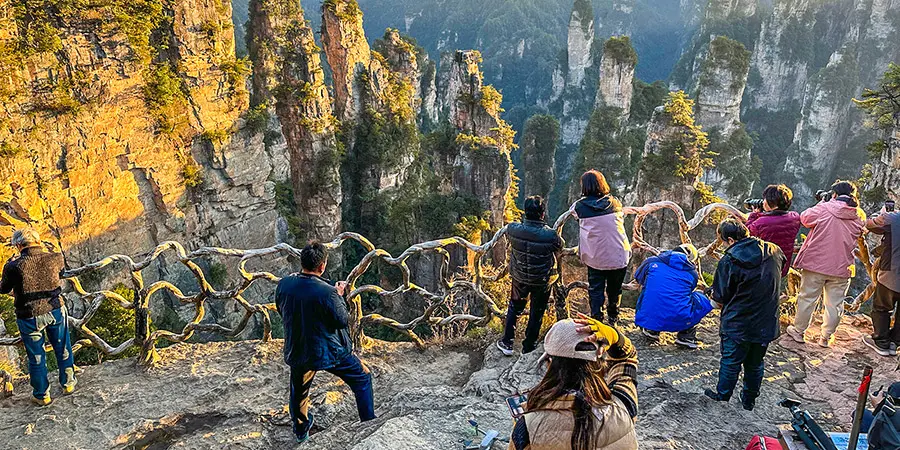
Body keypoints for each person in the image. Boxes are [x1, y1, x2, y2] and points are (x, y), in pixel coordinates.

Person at [275, 241, 375, 444]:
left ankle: (301, 431)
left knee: (299, 392)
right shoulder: (327, 292)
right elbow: (341, 320)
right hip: (329, 351)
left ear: (302, 261)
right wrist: (338, 296)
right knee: (362, 378)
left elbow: (281, 308)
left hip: (298, 348)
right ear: (322, 266)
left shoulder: (284, 284)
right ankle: (368, 423)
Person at [508, 316, 638, 450]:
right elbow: (627, 359)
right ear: (598, 362)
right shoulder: (624, 405)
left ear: (551, 363)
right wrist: (613, 335)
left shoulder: (528, 429)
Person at [704, 219, 784, 411]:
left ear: (730, 240)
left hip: (738, 322)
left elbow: (721, 297)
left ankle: (722, 398)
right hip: (766, 319)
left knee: (731, 362)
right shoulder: (774, 250)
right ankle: (749, 401)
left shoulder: (729, 260)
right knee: (755, 363)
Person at [786, 181, 866, 348]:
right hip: (842, 267)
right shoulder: (859, 215)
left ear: (834, 194)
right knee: (835, 304)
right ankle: (826, 337)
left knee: (807, 298)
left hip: (816, 263)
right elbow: (861, 230)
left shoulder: (824, 208)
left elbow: (805, 218)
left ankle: (799, 331)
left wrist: (823, 202)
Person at [0, 228, 75, 406]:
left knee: (36, 355)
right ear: (38, 241)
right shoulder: (55, 257)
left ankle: (42, 395)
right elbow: (59, 273)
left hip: (28, 315)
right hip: (55, 309)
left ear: (18, 245)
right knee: (63, 347)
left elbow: (3, 288)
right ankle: (68, 383)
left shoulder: (13, 266)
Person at [498, 196, 563, 356]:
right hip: (542, 279)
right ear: (542, 214)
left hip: (519, 277)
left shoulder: (512, 229)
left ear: (525, 212)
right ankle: (529, 347)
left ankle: (507, 342)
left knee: (514, 307)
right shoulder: (550, 235)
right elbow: (561, 246)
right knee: (537, 311)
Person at [575, 170, 631, 326]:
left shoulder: (580, 207)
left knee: (596, 289)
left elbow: (574, 214)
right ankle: (613, 317)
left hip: (596, 257)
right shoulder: (615, 203)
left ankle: (596, 319)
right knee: (615, 289)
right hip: (619, 254)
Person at [633, 243, 713, 350]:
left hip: (649, 318)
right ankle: (686, 336)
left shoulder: (651, 262)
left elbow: (639, 278)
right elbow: (689, 291)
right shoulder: (692, 273)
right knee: (700, 298)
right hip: (680, 318)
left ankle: (651, 329)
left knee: (649, 291)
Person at [862, 204, 900, 356]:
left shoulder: (893, 218)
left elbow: (870, 224)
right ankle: (895, 342)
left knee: (882, 307)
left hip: (892, 272)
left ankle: (881, 341)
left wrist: (883, 213)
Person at [746, 184, 802, 277]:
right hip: (782, 267)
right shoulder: (795, 217)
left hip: (762, 268)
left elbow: (746, 232)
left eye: (765, 199)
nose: (763, 202)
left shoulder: (762, 222)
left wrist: (754, 215)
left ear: (772, 203)